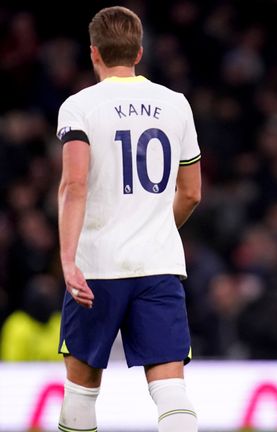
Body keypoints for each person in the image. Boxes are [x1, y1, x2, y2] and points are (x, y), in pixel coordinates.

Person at [56, 6, 201, 432]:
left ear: (93, 53)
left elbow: (74, 185)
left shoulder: (79, 107)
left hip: (95, 268)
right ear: (139, 52)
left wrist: (67, 261)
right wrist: (153, 228)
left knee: (81, 391)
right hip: (158, 266)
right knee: (170, 389)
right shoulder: (175, 104)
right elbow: (191, 192)